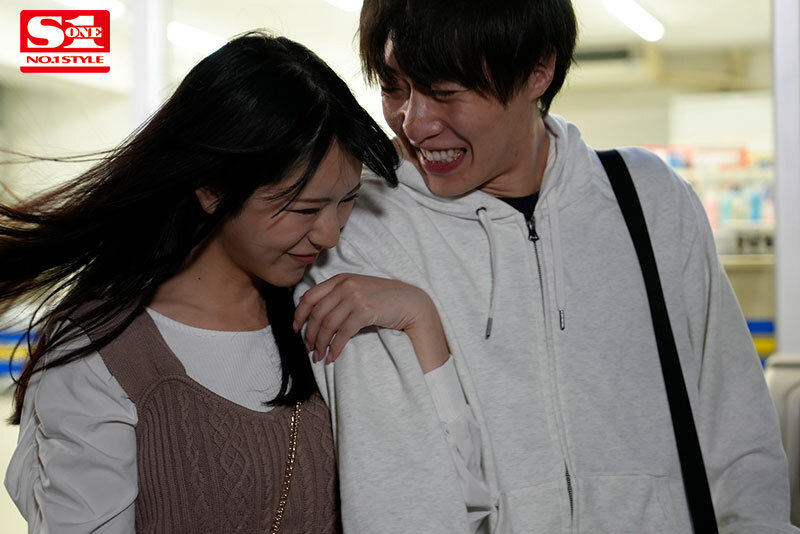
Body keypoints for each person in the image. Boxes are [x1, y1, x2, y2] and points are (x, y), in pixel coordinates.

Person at [297, 1, 798, 532]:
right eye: (394, 87)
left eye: (445, 92)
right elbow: (397, 494)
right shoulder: (360, 228)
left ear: (539, 69)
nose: (414, 122)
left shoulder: (649, 200)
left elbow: (738, 434)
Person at [2, 31, 457, 533]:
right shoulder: (103, 352)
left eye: (346, 200)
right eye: (303, 209)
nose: (329, 234)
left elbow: (455, 492)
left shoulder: (332, 308)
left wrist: (420, 317)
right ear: (213, 190)